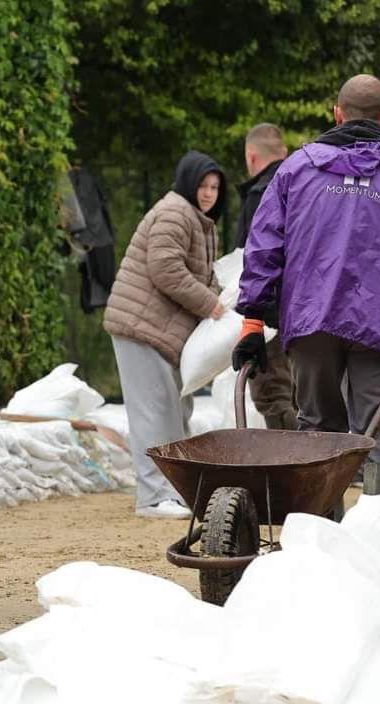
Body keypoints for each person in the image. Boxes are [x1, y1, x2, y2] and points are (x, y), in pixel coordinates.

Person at [234, 74, 380, 495]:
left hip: (310, 321)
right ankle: (376, 543)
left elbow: (263, 247)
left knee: (317, 431)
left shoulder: (294, 170)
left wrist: (252, 323)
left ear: (336, 114)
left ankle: (321, 535)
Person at [104, 151, 227, 519]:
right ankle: (152, 498)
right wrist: (212, 306)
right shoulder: (175, 212)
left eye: (215, 187)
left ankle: (172, 492)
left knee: (173, 410)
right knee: (152, 412)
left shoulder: (198, 220)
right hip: (141, 328)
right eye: (203, 186)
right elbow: (165, 269)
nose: (209, 194)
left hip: (157, 331)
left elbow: (201, 276)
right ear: (188, 183)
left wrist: (223, 297)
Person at [235, 123, 296, 430]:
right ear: (284, 153)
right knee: (303, 395)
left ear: (251, 155)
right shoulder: (308, 187)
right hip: (311, 313)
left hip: (271, 314)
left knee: (272, 393)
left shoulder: (260, 194)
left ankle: (292, 469)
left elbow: (254, 259)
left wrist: (253, 318)